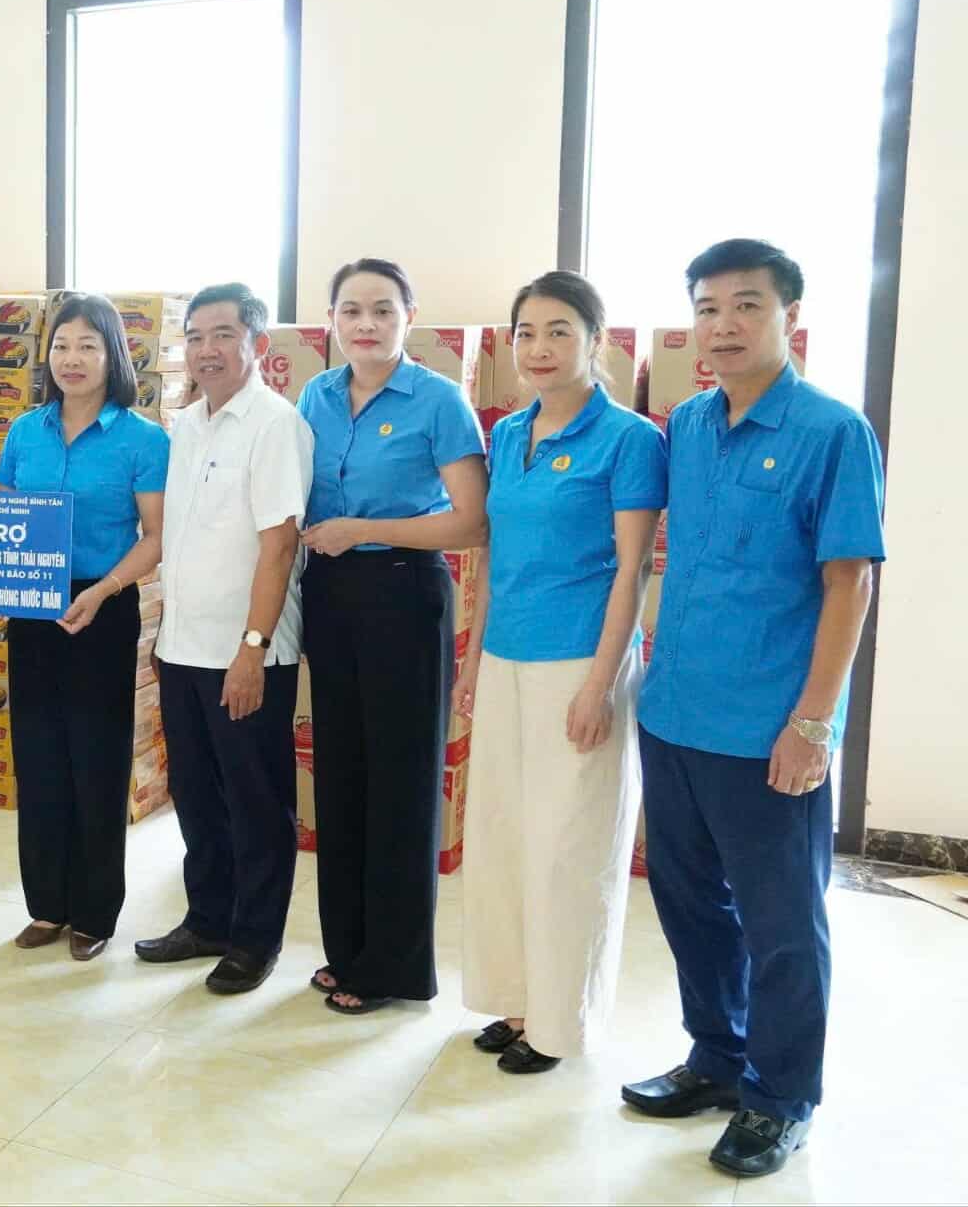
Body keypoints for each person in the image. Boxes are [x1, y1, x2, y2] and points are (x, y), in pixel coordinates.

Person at [621, 239, 883, 1178]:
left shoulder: (830, 431)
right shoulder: (687, 423)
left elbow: (847, 584)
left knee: (781, 923)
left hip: (769, 727)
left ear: (789, 320)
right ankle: (717, 1056)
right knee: (691, 905)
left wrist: (813, 723)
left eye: (745, 306)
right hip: (676, 711)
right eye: (707, 308)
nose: (722, 326)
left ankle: (781, 1096)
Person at [451, 271, 666, 1073]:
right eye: (526, 333)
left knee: (569, 846)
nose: (538, 349)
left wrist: (602, 683)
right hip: (506, 657)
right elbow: (496, 556)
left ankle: (561, 1022)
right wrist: (473, 660)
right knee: (505, 836)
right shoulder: (509, 434)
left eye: (559, 331)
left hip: (580, 659)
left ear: (596, 342)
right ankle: (515, 1000)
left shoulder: (631, 439)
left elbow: (632, 568)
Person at [297, 258, 486, 1014]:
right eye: (351, 311)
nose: (365, 324)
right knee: (341, 776)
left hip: (405, 592)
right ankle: (347, 950)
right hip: (332, 593)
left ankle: (396, 966)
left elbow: (471, 521)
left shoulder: (439, 401)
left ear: (410, 316)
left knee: (401, 783)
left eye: (382, 309)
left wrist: (363, 529)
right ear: (332, 320)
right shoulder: (315, 393)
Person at [133, 283, 313, 994]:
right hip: (183, 649)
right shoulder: (189, 425)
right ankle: (207, 916)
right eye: (196, 336)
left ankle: (255, 937)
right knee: (197, 794)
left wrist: (252, 648)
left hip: (248, 654)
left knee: (255, 799)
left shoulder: (274, 424)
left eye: (222, 334)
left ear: (257, 346)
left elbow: (279, 546)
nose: (206, 349)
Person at [0, 292, 169, 962]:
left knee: (95, 760)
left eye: (87, 346)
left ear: (113, 356)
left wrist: (104, 589)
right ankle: (47, 904)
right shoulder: (23, 432)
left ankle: (94, 912)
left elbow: (155, 535)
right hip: (32, 607)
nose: (72, 358)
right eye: (62, 344)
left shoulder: (144, 438)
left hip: (104, 603)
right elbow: (4, 524)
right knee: (38, 757)